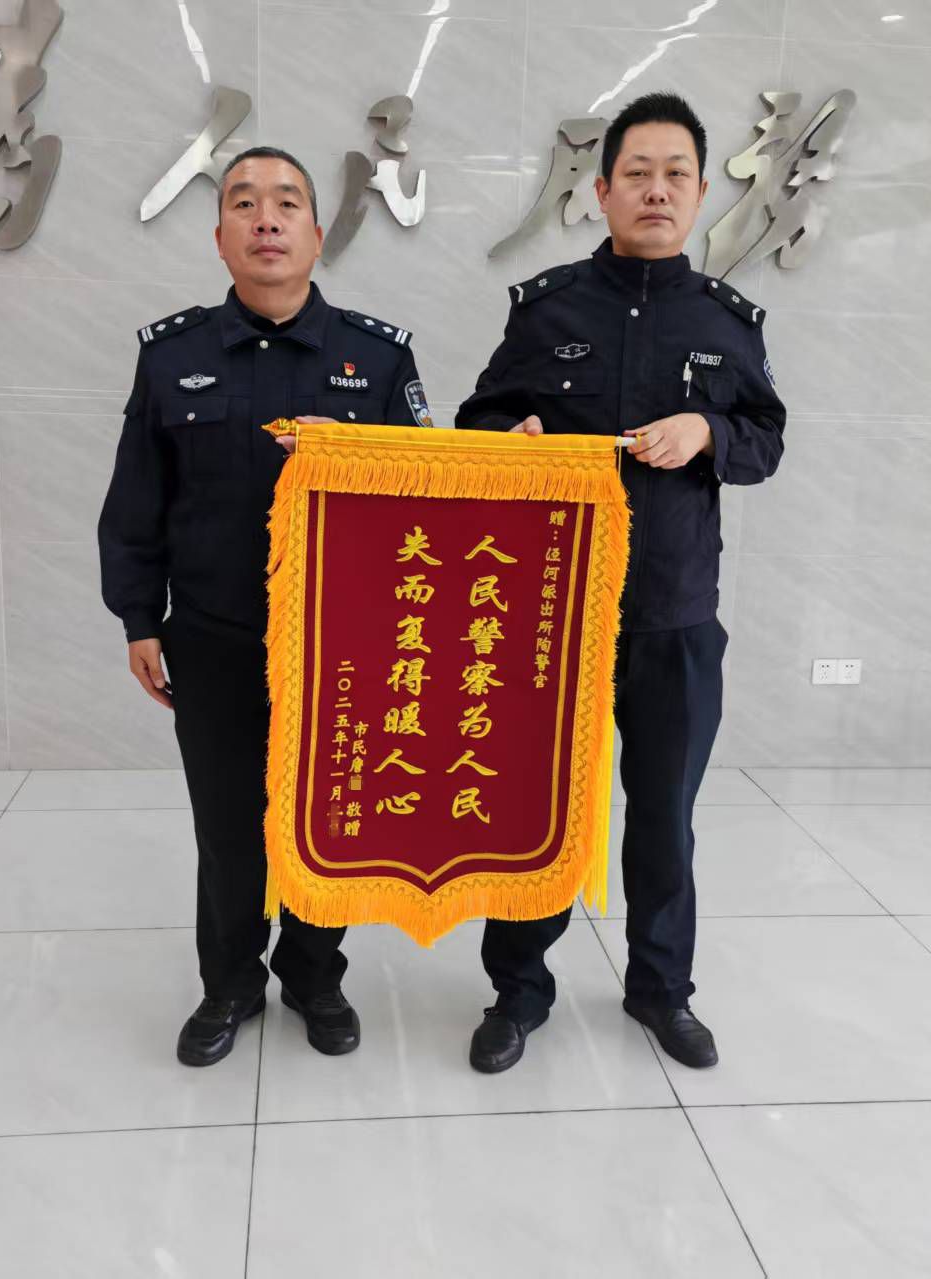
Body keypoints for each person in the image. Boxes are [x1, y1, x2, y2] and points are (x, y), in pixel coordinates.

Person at [456, 92, 786, 1073]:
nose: (655, 190)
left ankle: (661, 990)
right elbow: (477, 423)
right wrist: (509, 438)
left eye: (675, 174)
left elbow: (764, 441)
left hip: (673, 615)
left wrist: (707, 431)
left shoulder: (725, 322)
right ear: (600, 192)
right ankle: (518, 990)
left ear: (699, 191)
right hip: (552, 616)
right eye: (636, 173)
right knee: (536, 809)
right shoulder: (547, 308)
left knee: (663, 816)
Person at [98, 146, 433, 1067]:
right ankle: (231, 982)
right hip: (214, 635)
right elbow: (137, 500)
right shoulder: (173, 357)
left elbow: (430, 498)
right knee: (228, 825)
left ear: (318, 236)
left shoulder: (378, 357)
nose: (266, 219)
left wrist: (359, 456)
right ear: (220, 239)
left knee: (328, 816)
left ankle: (316, 977)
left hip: (344, 641)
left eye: (286, 203)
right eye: (244, 204)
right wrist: (139, 618)